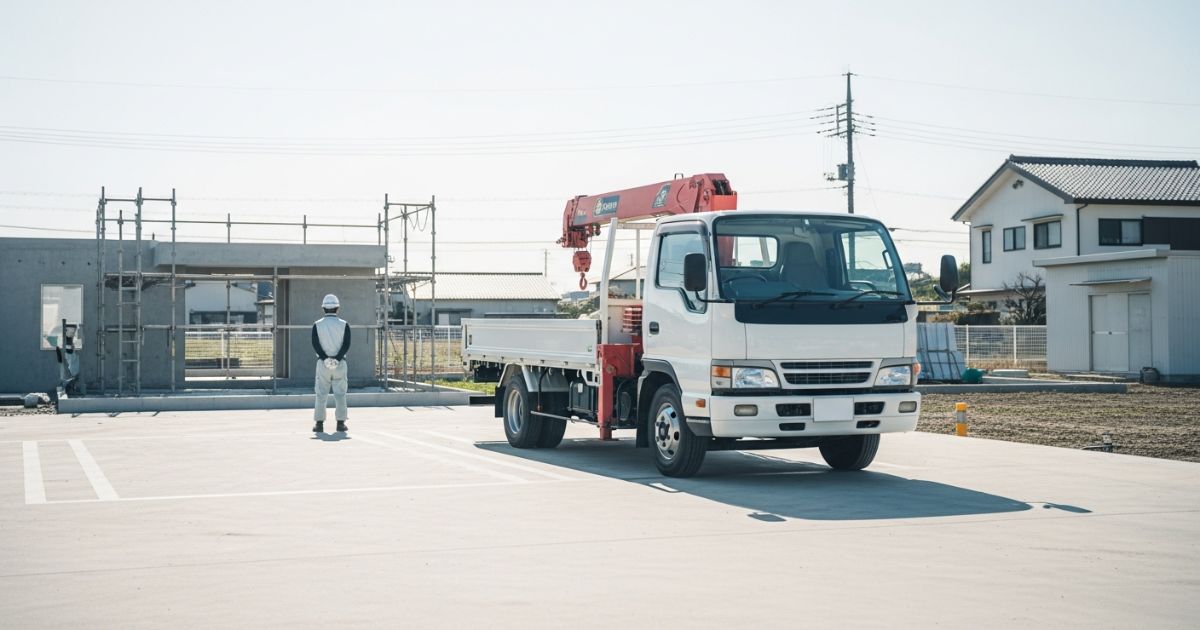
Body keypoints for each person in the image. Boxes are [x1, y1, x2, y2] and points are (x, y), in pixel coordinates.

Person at [312, 293, 351, 433]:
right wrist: (337, 359)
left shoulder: (317, 325)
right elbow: (346, 344)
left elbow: (315, 344)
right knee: (340, 394)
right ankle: (340, 423)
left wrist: (325, 358)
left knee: (321, 394)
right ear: (337, 308)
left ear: (324, 309)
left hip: (323, 364)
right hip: (340, 363)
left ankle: (319, 424)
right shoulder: (344, 324)